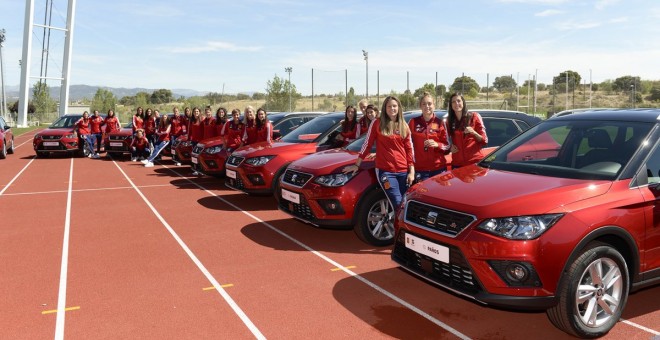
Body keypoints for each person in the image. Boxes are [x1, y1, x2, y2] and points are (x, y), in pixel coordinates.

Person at [343, 96, 414, 212]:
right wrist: (357, 164)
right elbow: (367, 144)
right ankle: (398, 228)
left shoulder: (404, 125)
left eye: (394, 106)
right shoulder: (377, 123)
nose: (392, 108)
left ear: (399, 108)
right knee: (398, 202)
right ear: (385, 108)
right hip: (386, 172)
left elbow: (409, 149)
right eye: (389, 106)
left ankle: (395, 225)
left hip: (403, 171)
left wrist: (411, 171)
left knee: (404, 202)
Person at [409, 92, 449, 181]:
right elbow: (407, 145)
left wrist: (437, 144)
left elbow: (447, 146)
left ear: (434, 105)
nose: (427, 106)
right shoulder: (413, 122)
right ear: (420, 106)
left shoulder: (440, 123)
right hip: (420, 169)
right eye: (424, 104)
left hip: (439, 168)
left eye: (429, 104)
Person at [448, 92, 488, 168]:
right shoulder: (449, 121)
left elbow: (485, 140)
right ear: (451, 105)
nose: (456, 103)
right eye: (453, 102)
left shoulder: (474, 116)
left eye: (459, 101)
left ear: (463, 102)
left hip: (475, 163)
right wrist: (450, 147)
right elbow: (443, 139)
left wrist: (473, 132)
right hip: (457, 164)